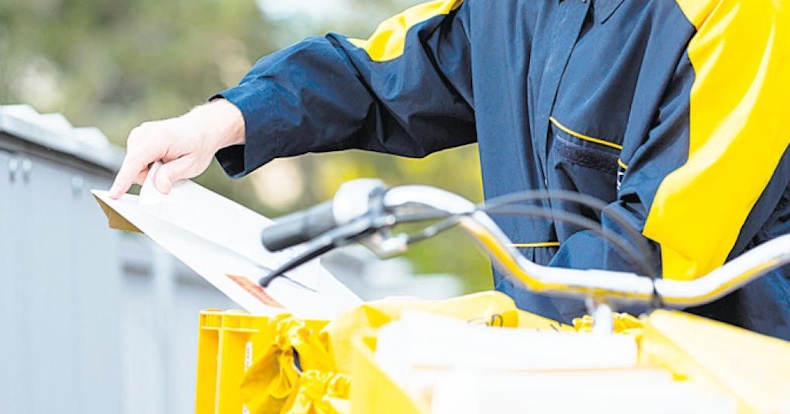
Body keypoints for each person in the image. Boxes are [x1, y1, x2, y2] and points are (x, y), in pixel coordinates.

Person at [109, 0, 790, 340]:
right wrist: (220, 121)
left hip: (718, 409)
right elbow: (384, 75)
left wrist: (455, 333)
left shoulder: (747, 15)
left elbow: (655, 250)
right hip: (549, 386)